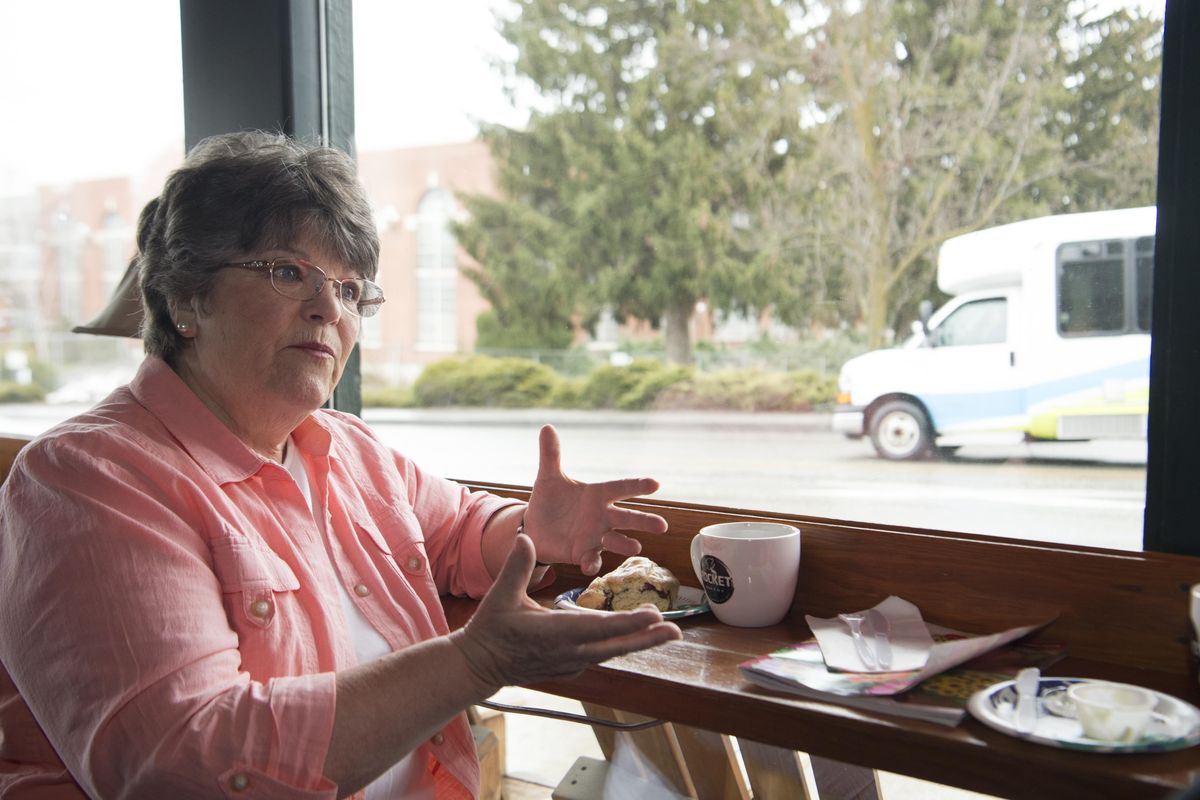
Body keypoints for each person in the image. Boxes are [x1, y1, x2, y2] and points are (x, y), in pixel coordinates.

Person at [0, 131, 681, 799]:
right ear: (185, 299)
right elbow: (192, 763)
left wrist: (531, 526)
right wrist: (477, 661)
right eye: (287, 271)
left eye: (353, 291)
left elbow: (458, 530)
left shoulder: (343, 447)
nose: (329, 308)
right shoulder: (84, 479)